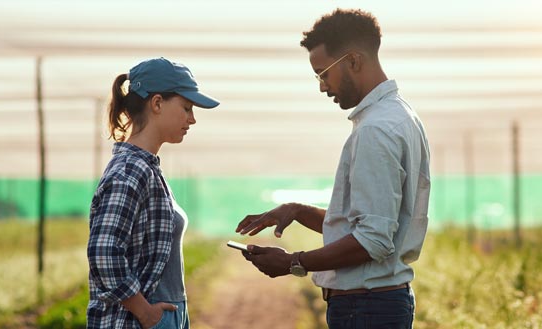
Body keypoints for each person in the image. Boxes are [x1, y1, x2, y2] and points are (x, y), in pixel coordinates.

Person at [236, 8, 430, 329]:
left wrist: (292, 262)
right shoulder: (399, 115)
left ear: (353, 61)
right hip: (377, 304)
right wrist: (297, 210)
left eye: (324, 73)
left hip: (365, 309)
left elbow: (373, 241)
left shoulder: (375, 130)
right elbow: (372, 223)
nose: (323, 87)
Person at [87, 57, 219, 329]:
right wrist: (145, 312)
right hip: (137, 320)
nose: (192, 119)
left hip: (165, 312)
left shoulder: (148, 168)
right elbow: (103, 251)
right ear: (157, 103)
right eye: (186, 107)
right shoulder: (130, 171)